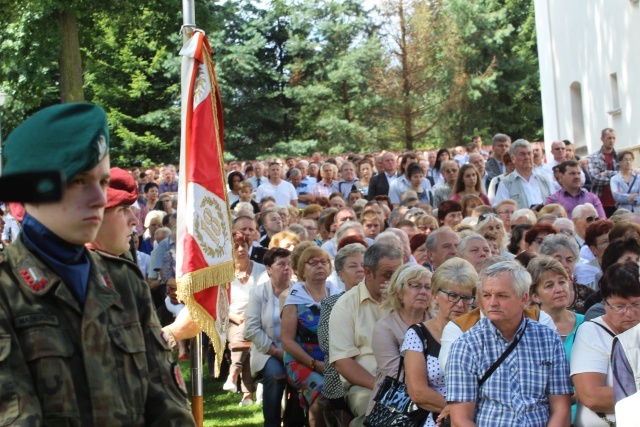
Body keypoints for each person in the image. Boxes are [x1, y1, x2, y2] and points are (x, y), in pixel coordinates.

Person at [0, 103, 194, 424]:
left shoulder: (124, 281)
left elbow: (167, 407)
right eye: (79, 181)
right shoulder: (8, 291)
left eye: (102, 182)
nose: (100, 198)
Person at [445, 261, 572, 427]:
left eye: (502, 295)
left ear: (524, 298)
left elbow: (561, 408)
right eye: (487, 295)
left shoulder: (548, 340)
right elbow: (460, 420)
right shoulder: (466, 346)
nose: (492, 303)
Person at [329, 243, 404, 426]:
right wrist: (382, 387)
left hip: (409, 380)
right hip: (365, 384)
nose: (394, 282)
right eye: (387, 276)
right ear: (368, 273)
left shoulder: (406, 300)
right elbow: (343, 362)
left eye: (398, 275)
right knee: (375, 413)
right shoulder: (346, 305)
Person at [404, 258, 477, 427]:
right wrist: (455, 408)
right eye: (452, 296)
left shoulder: (479, 333)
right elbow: (418, 392)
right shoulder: (418, 334)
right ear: (435, 295)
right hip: (435, 418)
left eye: (467, 298)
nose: (460, 304)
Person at [571, 261, 640, 426]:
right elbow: (591, 396)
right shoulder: (591, 332)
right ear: (604, 303)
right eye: (620, 306)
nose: (629, 313)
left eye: (637, 304)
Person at [282, 246, 339, 426]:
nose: (319, 266)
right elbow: (287, 341)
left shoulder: (337, 294)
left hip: (334, 360)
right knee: (323, 393)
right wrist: (314, 364)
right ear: (301, 271)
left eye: (324, 262)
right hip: (300, 360)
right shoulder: (294, 299)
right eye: (313, 263)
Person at [368, 264, 433, 415]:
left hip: (434, 396)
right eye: (415, 286)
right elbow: (396, 374)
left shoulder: (438, 322)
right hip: (396, 405)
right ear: (399, 291)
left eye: (428, 287)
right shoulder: (385, 328)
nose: (423, 292)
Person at [528, 256, 585, 422]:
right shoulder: (528, 330)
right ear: (535, 296)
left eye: (562, 282)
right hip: (541, 418)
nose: (559, 289)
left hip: (584, 417)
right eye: (549, 285)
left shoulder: (587, 324)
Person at [245, 248, 293, 427]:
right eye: (281, 264)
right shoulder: (258, 293)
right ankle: (272, 423)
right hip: (267, 351)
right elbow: (251, 329)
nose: (286, 268)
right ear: (269, 269)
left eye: (289, 264)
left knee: (300, 379)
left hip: (296, 351)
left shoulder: (299, 291)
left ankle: (293, 420)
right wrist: (274, 350)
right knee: (276, 375)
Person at [493, 139, 555, 209]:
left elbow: (555, 206)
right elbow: (501, 210)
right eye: (522, 154)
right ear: (513, 159)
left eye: (529, 153)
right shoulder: (505, 183)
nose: (527, 157)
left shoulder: (545, 181)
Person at [587, 128, 620, 217]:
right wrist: (617, 177)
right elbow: (595, 179)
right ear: (602, 139)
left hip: (619, 202)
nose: (611, 141)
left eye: (614, 138)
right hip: (601, 202)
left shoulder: (620, 156)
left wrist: (605, 173)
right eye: (609, 138)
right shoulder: (593, 157)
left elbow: (625, 176)